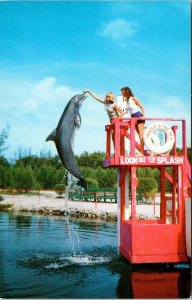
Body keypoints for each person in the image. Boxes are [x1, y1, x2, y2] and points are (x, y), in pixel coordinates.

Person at [121, 86, 145, 155]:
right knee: (135, 134)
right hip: (132, 118)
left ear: (127, 91)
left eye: (123, 91)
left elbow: (142, 107)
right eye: (122, 92)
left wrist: (143, 116)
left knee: (141, 135)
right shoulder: (126, 100)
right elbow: (124, 111)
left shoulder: (133, 98)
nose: (122, 93)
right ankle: (134, 151)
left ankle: (141, 152)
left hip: (138, 116)